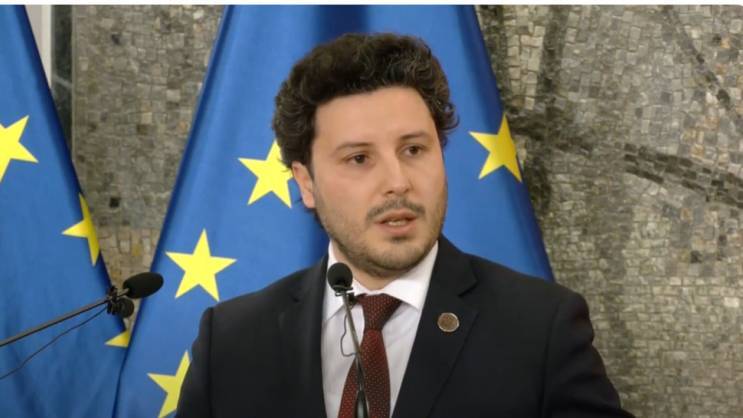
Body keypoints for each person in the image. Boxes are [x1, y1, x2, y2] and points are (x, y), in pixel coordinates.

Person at [176, 33, 634, 418]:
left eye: (414, 150)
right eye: (359, 158)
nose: (398, 182)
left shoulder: (541, 329)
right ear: (306, 183)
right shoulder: (232, 341)